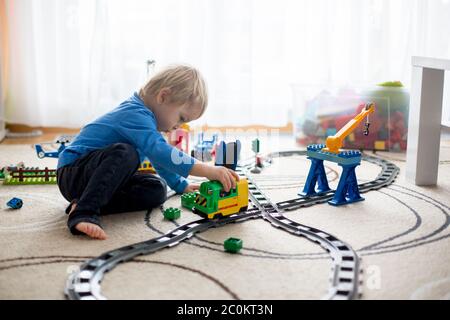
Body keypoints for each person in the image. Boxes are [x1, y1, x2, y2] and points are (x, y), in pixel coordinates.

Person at [57, 65, 239, 240]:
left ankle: (83, 202)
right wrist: (207, 170)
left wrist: (179, 184)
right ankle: (84, 212)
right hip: (74, 172)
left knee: (157, 189)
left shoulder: (148, 123)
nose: (179, 126)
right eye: (181, 118)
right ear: (163, 96)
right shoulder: (135, 114)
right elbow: (161, 152)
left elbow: (159, 159)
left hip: (97, 180)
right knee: (125, 152)